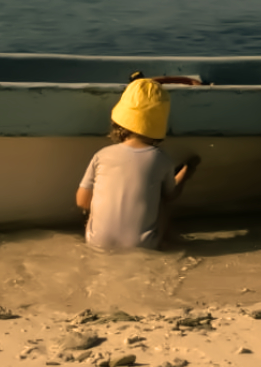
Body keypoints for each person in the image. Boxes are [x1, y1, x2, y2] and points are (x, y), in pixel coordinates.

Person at [75, 78, 195, 250]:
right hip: (142, 245)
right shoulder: (161, 159)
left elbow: (82, 202)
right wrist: (186, 172)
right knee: (161, 198)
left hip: (96, 242)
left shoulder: (101, 155)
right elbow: (171, 195)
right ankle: (166, 239)